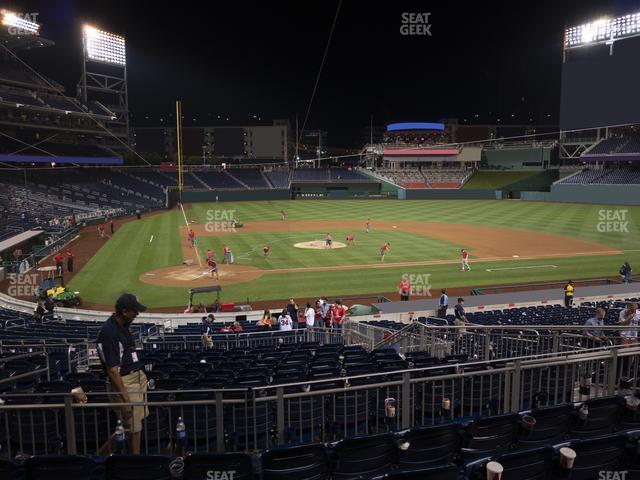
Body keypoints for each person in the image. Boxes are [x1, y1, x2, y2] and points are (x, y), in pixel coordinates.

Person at [96, 293, 149, 455]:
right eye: (135, 311)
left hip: (135, 378)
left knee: (132, 427)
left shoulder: (122, 326)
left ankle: (99, 457)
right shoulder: (109, 332)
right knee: (133, 429)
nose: (137, 314)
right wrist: (125, 400)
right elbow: (113, 370)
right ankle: (134, 465)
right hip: (125, 382)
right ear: (125, 311)